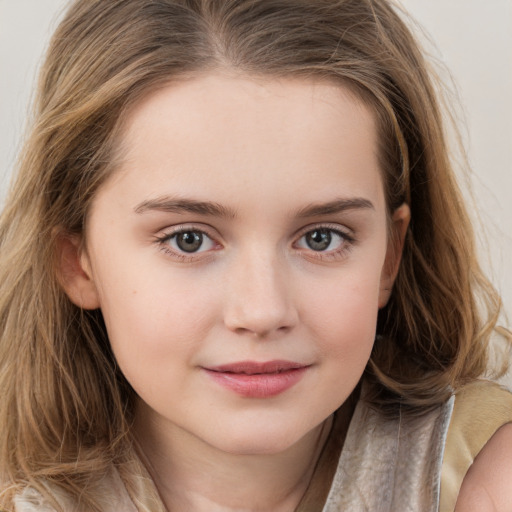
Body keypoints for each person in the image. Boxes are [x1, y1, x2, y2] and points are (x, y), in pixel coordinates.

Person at [0, 0, 511, 511]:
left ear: (389, 256)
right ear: (76, 261)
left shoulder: (485, 477)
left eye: (321, 238)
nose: (263, 311)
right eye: (188, 240)